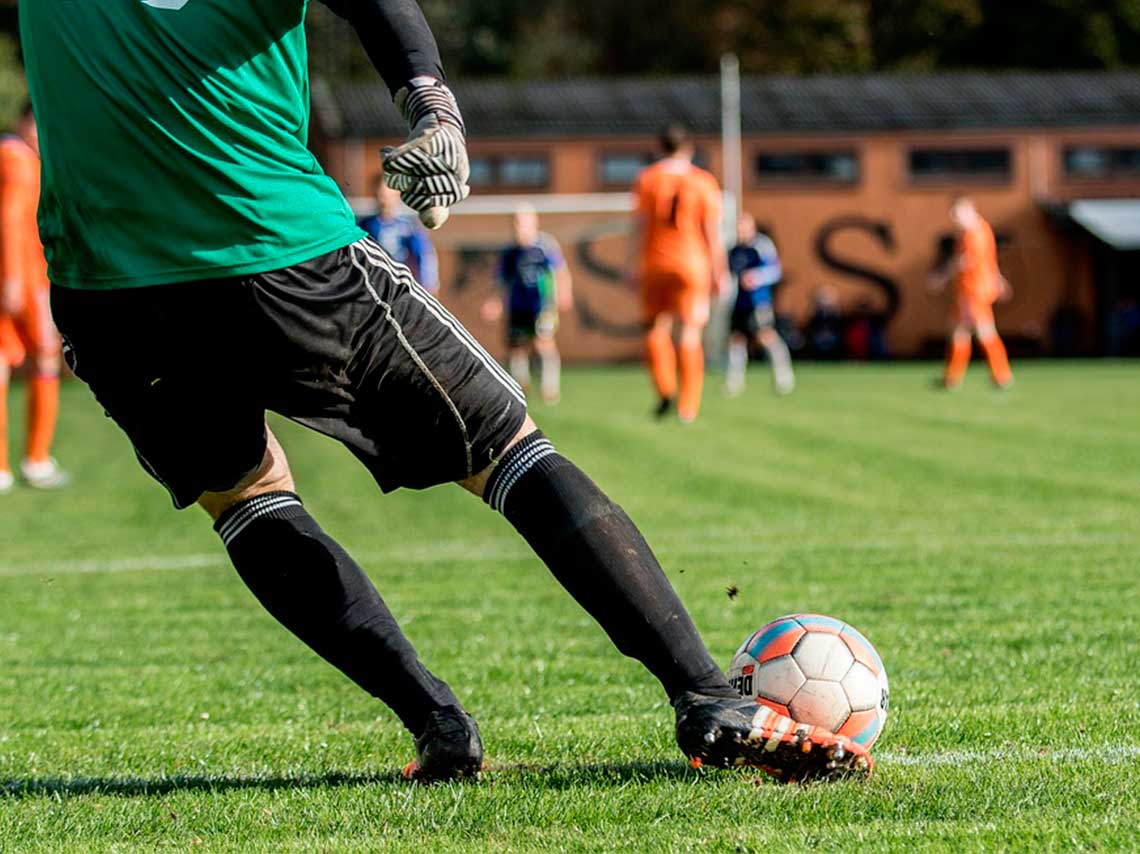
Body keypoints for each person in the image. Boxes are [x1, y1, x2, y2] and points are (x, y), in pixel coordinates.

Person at [21, 0, 869, 784]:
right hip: (272, 245)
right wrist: (434, 106)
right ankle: (703, 694)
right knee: (508, 447)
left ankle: (438, 724)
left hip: (109, 291)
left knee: (245, 498)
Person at [629, 124, 726, 424]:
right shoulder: (703, 182)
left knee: (655, 329)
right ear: (689, 149)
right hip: (691, 265)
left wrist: (631, 263)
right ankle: (688, 405)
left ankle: (664, 389)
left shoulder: (647, 179)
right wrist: (719, 271)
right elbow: (711, 232)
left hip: (655, 264)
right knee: (689, 332)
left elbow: (640, 228)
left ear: (659, 148)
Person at [0, 103, 68, 493]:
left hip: (22, 277)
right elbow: (10, 218)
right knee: (43, 358)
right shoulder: (18, 158)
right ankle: (36, 460)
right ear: (26, 121)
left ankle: (10, 467)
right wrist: (12, 278)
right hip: (24, 280)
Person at [481, 205, 571, 404]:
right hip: (517, 305)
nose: (519, 228)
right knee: (516, 346)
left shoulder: (545, 246)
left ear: (534, 223)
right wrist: (494, 302)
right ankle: (520, 386)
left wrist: (563, 292)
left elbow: (559, 271)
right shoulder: (510, 253)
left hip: (542, 305)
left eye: (523, 223)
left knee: (543, 342)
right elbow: (500, 280)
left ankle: (550, 388)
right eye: (516, 223)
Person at [930, 197, 1014, 389]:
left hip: (973, 291)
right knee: (960, 333)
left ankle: (1001, 375)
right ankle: (952, 377)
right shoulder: (982, 230)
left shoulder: (973, 233)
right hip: (974, 289)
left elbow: (964, 262)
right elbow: (989, 260)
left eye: (957, 214)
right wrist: (998, 279)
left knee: (983, 332)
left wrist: (940, 277)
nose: (956, 219)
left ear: (969, 210)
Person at [725, 213, 794, 397]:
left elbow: (775, 270)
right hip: (740, 303)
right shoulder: (734, 250)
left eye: (744, 227)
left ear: (752, 228)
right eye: (738, 228)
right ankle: (734, 383)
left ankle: (783, 377)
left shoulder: (762, 246)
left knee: (766, 336)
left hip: (759, 302)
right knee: (736, 340)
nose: (741, 231)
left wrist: (757, 277)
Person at [358, 176, 440, 294]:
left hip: (401, 286)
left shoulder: (408, 226)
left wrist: (429, 284)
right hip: (374, 286)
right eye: (381, 195)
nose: (384, 200)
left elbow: (424, 254)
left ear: (396, 195)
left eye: (387, 196)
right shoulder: (366, 225)